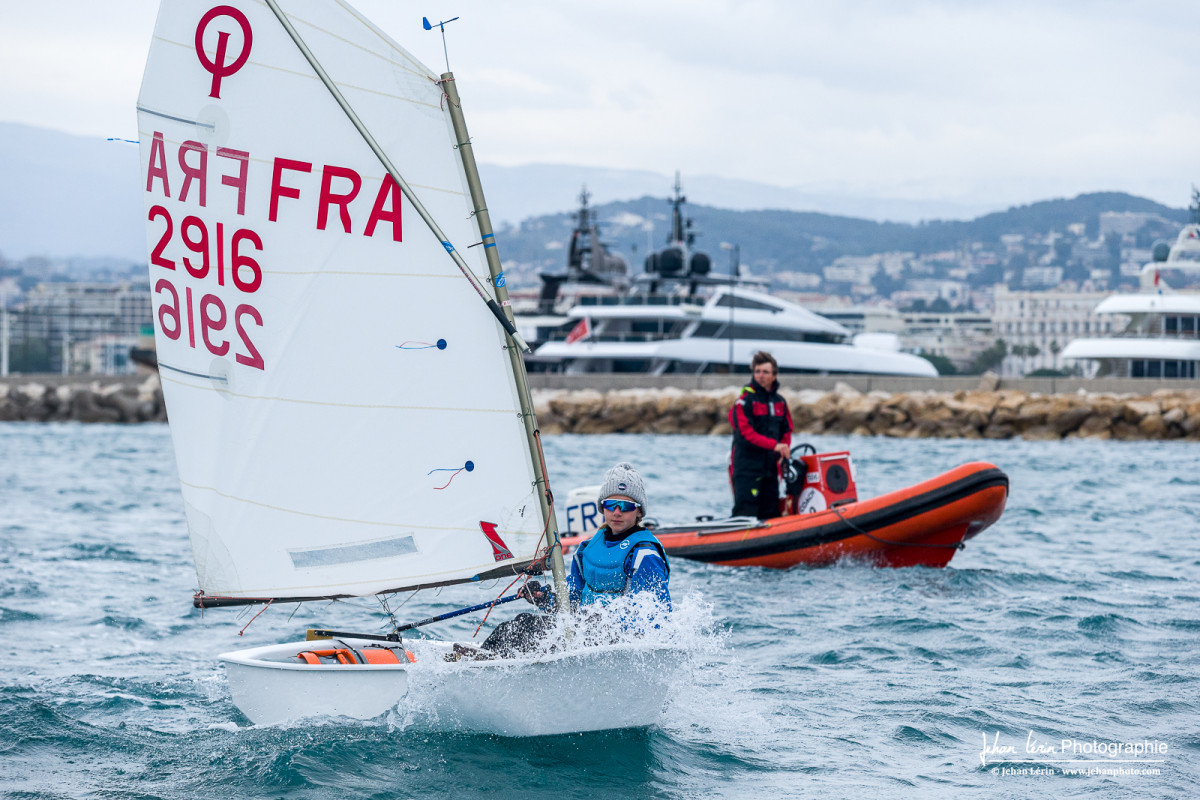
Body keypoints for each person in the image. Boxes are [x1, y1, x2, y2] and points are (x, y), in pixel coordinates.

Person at [478, 462, 670, 657]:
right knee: (517, 625)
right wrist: (544, 598)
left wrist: (598, 621)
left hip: (616, 644)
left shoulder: (645, 554)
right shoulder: (587, 549)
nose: (617, 512)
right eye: (610, 505)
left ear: (639, 511)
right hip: (584, 633)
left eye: (626, 506)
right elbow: (572, 599)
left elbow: (651, 615)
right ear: (602, 507)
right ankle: (477, 662)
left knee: (528, 630)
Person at [728, 350, 793, 519]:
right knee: (745, 514)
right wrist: (775, 445)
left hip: (770, 470)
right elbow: (746, 434)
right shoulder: (744, 402)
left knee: (770, 514)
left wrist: (783, 449)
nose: (761, 376)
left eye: (765, 372)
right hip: (747, 470)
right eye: (757, 372)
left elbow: (787, 429)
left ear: (774, 375)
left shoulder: (780, 402)